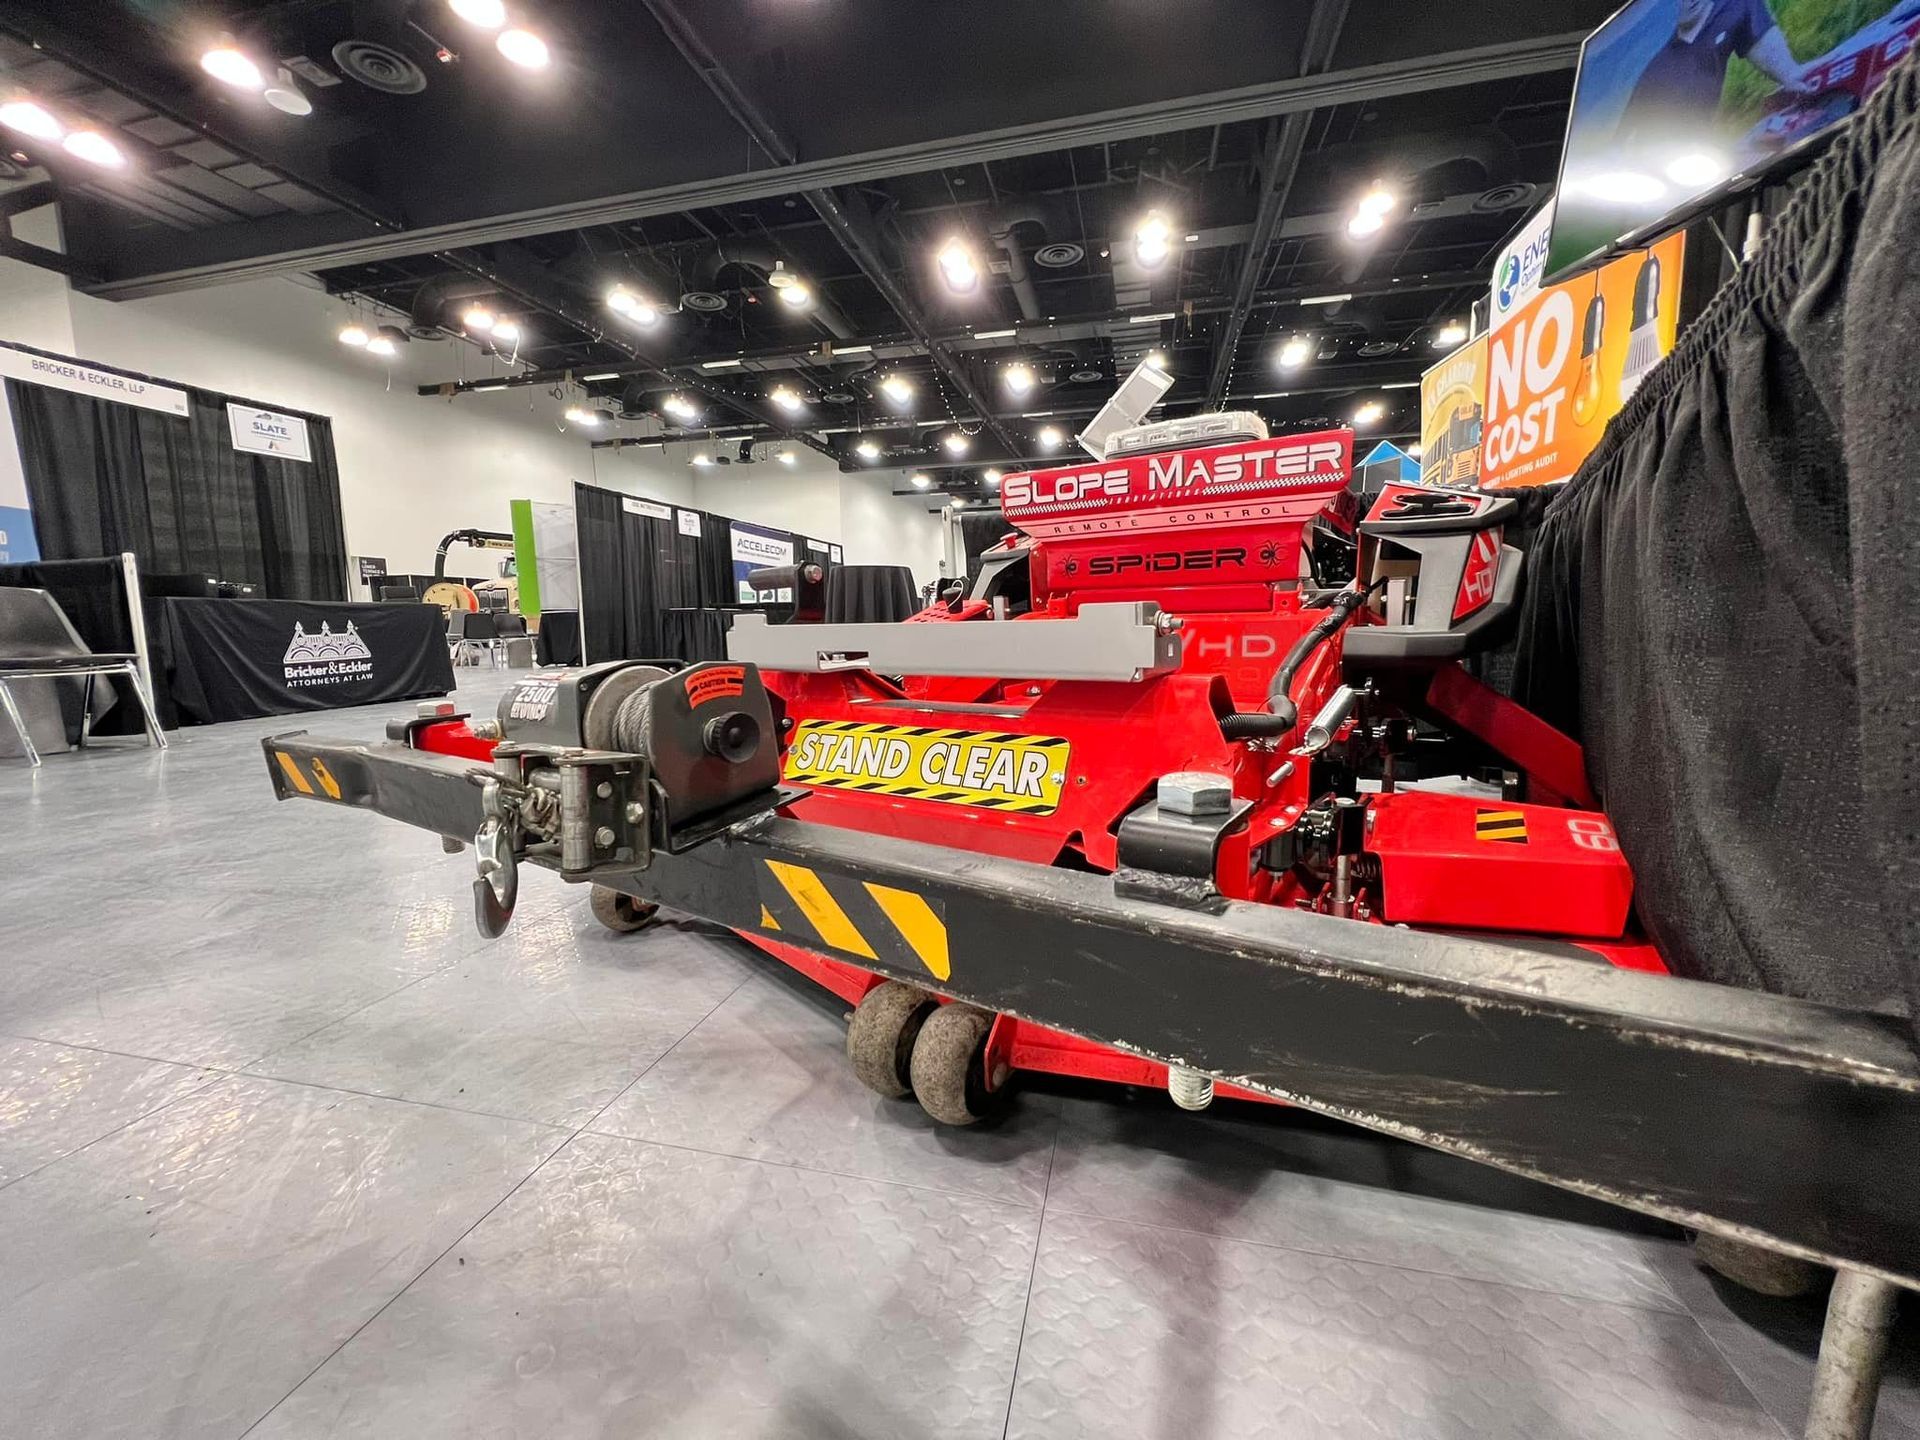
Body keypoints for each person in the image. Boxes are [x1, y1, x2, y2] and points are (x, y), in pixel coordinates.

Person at [1621, 0, 1811, 135]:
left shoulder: (1735, 8)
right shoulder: (1656, 70)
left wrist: (1790, 75)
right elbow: (1623, 140)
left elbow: (1767, 49)